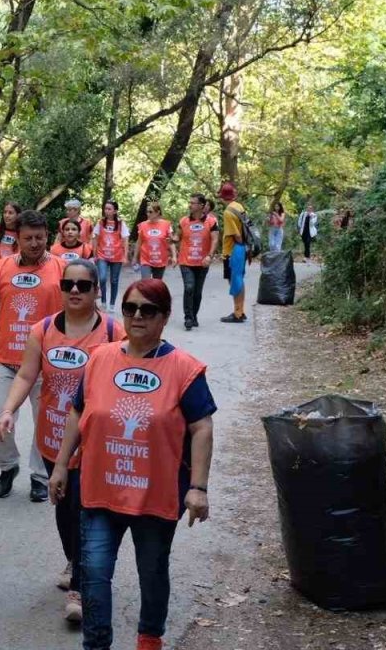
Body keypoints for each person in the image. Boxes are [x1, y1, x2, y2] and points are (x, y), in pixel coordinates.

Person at [49, 279, 216, 650]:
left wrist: (198, 487)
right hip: (98, 489)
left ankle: (149, 637)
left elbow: (201, 426)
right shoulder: (100, 359)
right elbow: (78, 411)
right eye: (130, 308)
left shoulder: (184, 368)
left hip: (155, 497)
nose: (137, 316)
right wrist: (61, 465)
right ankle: (96, 643)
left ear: (164, 316)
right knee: (92, 572)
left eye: (148, 309)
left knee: (152, 571)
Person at [0, 258, 126, 623]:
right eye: (69, 285)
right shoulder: (44, 329)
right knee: (64, 508)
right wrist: (8, 410)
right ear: (61, 288)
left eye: (84, 285)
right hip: (52, 439)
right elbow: (25, 374)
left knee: (85, 510)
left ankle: (80, 587)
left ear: (97, 290)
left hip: (93, 444)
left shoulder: (114, 332)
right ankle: (74, 558)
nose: (75, 291)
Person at [0, 209, 66, 502]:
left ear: (47, 236)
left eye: (40, 237)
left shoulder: (61, 269)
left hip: (46, 362)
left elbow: (75, 311)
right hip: (6, 357)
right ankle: (8, 466)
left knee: (44, 420)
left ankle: (40, 476)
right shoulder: (1, 268)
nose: (34, 243)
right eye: (28, 238)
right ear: (18, 237)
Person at [173, 193, 219, 331]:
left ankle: (194, 316)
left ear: (201, 205)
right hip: (186, 261)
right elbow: (177, 236)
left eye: (193, 203)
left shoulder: (211, 222)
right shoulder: (184, 221)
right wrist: (172, 239)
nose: (190, 205)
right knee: (189, 287)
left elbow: (215, 239)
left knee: (197, 292)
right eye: (190, 202)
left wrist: (210, 256)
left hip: (202, 262)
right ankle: (188, 317)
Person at [219, 182, 249, 323]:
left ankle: (237, 313)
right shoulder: (239, 207)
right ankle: (240, 310)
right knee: (239, 280)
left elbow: (235, 234)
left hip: (232, 251)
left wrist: (238, 246)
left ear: (222, 197)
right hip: (242, 249)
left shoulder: (228, 212)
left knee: (234, 281)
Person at [92, 200, 130, 311]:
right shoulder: (100, 222)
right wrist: (94, 253)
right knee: (102, 278)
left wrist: (125, 256)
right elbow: (95, 237)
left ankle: (112, 304)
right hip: (102, 255)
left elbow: (125, 240)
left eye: (109, 209)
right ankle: (103, 301)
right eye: (105, 208)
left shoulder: (121, 223)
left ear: (115, 211)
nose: (106, 211)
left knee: (114, 280)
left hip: (116, 256)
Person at [133, 202, 175, 280]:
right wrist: (135, 257)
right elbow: (139, 242)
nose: (148, 214)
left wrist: (174, 256)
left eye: (150, 212)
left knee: (156, 285)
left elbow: (171, 242)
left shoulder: (166, 225)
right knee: (146, 282)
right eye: (147, 212)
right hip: (146, 259)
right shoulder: (142, 225)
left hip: (160, 259)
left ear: (157, 212)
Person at [0, 201, 24, 274]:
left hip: (13, 274)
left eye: (10, 213)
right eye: (5, 212)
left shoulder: (23, 233)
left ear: (18, 215)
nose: (6, 215)